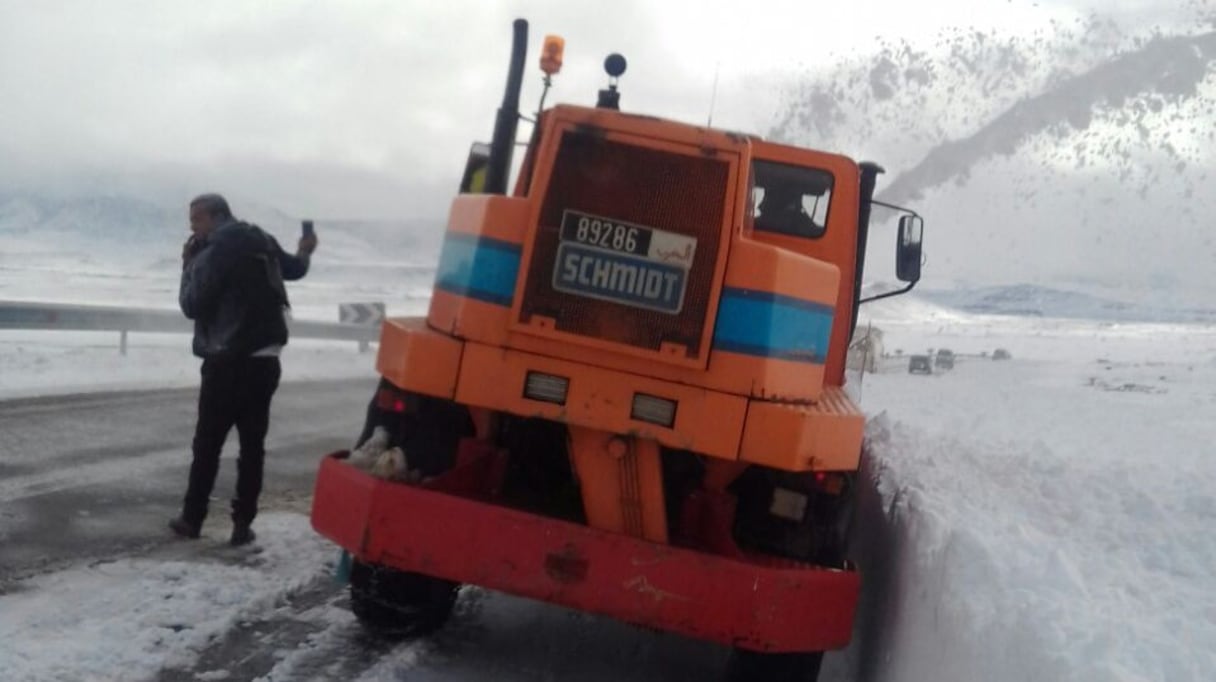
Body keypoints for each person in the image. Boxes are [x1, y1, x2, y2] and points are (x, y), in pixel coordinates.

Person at [169, 193, 318, 546]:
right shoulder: (260, 239)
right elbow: (294, 269)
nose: (193, 228)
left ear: (216, 217)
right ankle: (242, 524)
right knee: (253, 446)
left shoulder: (214, 251)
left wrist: (188, 265)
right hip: (265, 361)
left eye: (197, 220)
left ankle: (192, 518)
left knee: (207, 444)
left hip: (225, 361)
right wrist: (306, 250)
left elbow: (191, 305)